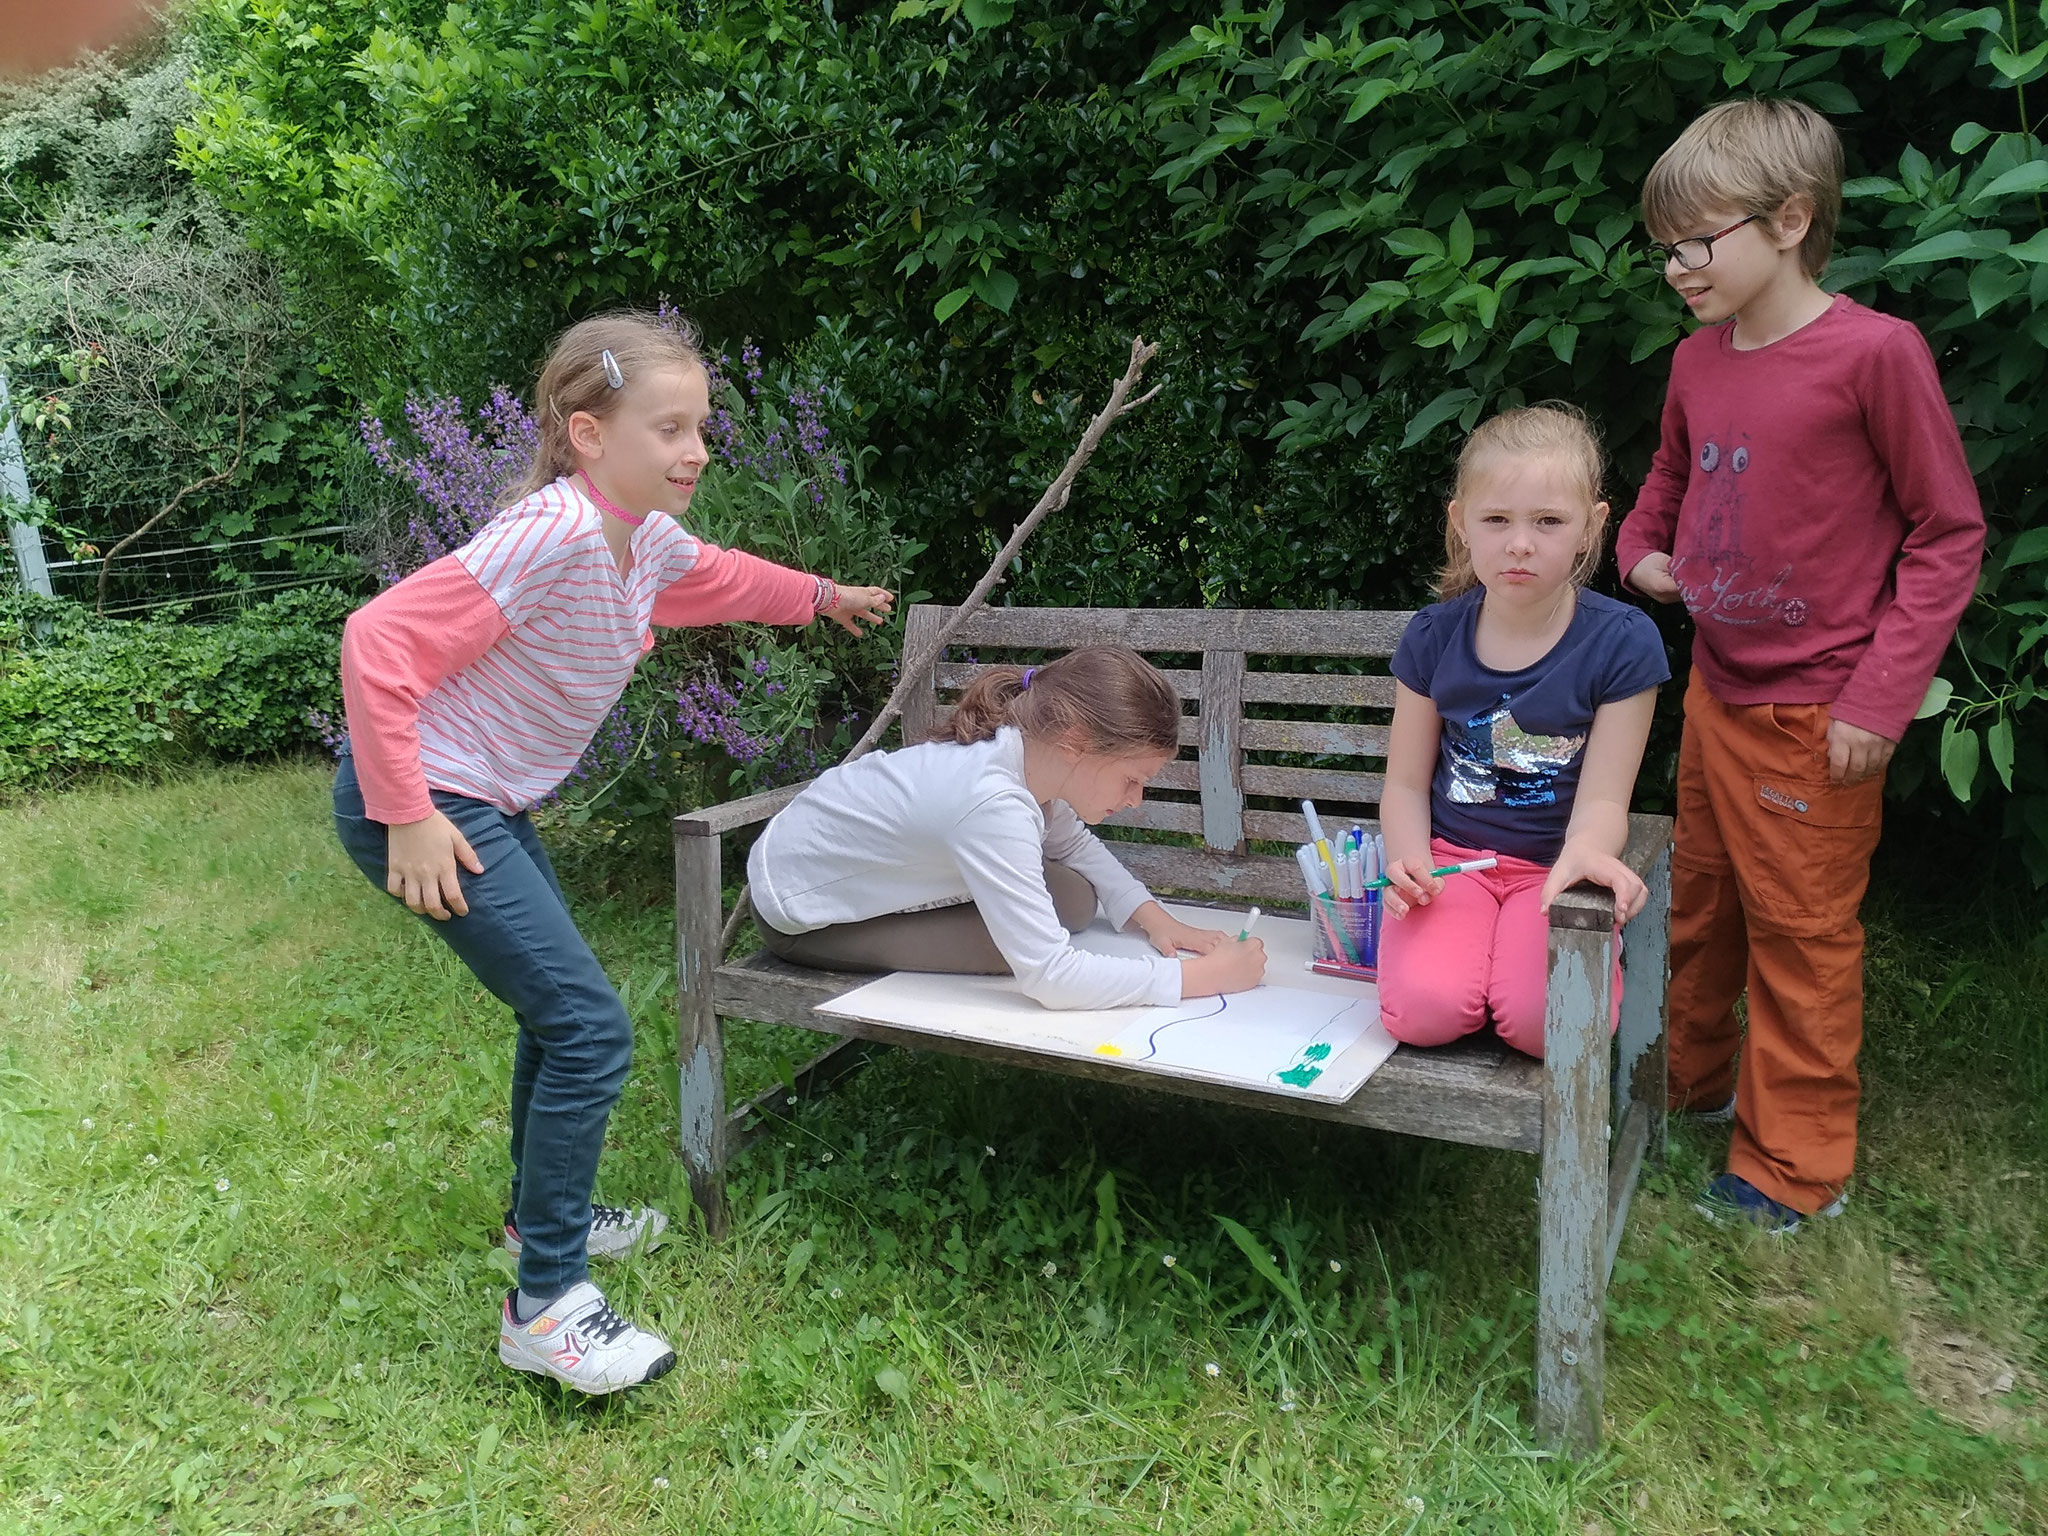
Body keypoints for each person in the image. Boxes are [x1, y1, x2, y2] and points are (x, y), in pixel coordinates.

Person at [333, 310, 894, 1393]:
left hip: (481, 794)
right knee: (588, 1026)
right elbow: (380, 639)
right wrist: (405, 811)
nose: (694, 451)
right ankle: (544, 1303)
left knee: (562, 1015)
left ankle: (536, 1217)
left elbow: (720, 577)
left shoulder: (645, 537)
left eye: (702, 429)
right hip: (425, 798)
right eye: (667, 428)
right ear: (587, 435)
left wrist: (820, 598)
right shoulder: (552, 531)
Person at [1617, 99, 1985, 1234]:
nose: (1675, 268)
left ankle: (1788, 1168)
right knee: (1700, 913)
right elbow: (1666, 486)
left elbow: (1946, 534)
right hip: (1717, 695)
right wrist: (1639, 554)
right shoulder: (1694, 361)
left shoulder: (1875, 355)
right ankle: (1683, 1086)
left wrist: (1878, 698)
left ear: (1788, 219)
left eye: (1694, 241)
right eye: (1662, 248)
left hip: (1819, 712)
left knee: (1798, 938)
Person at [1376, 405, 1669, 1060]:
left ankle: (1511, 963)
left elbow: (1602, 800)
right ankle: (1468, 961)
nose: (1519, 544)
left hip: (1554, 870)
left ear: (1592, 527)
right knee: (1422, 1014)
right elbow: (1403, 782)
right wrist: (1409, 859)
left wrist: (1586, 856)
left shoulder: (1622, 644)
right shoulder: (1433, 635)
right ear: (1461, 523)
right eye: (1497, 520)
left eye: (1549, 521)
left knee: (1553, 1028)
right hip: (1454, 867)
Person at [749, 646, 1268, 1007]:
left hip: (841, 866)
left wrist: (1158, 920)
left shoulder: (1026, 759)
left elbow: (1074, 843)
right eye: (1132, 779)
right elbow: (1051, 978)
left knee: (1072, 900)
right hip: (806, 919)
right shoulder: (992, 804)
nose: (1135, 801)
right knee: (1027, 946)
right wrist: (1198, 978)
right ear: (1076, 743)